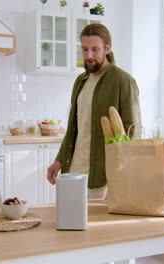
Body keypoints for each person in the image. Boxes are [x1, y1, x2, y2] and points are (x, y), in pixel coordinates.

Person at [46, 23, 142, 199]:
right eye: (84, 49)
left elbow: (133, 132)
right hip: (73, 172)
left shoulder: (123, 81)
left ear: (107, 48)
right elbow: (74, 128)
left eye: (95, 49)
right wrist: (59, 160)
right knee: (69, 223)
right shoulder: (80, 81)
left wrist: (125, 175)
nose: (88, 55)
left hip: (103, 177)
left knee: (98, 226)